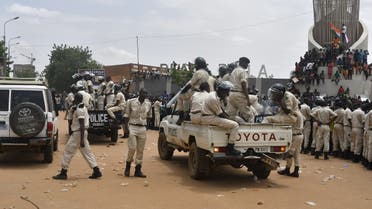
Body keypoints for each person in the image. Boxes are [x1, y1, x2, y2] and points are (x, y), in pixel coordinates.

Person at [53, 93, 102, 180]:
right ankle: (96, 170)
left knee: (67, 152)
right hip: (81, 133)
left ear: (76, 99)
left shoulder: (79, 110)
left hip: (79, 133)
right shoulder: (82, 107)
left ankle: (63, 172)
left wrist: (82, 139)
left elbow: (82, 124)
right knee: (87, 152)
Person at [264, 83, 303, 177]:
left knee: (290, 153)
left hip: (295, 133)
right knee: (295, 153)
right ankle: (292, 169)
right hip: (295, 132)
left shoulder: (287, 97)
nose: (273, 95)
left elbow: (288, 111)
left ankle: (292, 169)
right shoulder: (287, 97)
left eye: (275, 94)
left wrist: (279, 101)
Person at [201, 81, 240, 156]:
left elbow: (222, 111)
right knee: (235, 125)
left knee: (235, 119)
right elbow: (220, 114)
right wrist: (230, 120)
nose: (227, 94)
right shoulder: (213, 99)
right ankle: (230, 148)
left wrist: (230, 118)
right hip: (209, 118)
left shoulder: (215, 95)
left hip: (210, 116)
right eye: (226, 92)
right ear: (221, 90)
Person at [123, 88, 152, 178]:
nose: (145, 95)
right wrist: (126, 129)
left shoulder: (148, 104)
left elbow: (150, 116)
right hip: (132, 127)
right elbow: (126, 115)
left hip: (142, 128)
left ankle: (138, 170)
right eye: (143, 93)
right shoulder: (131, 102)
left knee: (140, 150)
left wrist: (147, 126)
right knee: (132, 148)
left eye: (146, 93)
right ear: (140, 93)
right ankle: (127, 166)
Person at [176, 57, 210, 125]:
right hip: (202, 92)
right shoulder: (206, 73)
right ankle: (188, 114)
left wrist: (183, 91)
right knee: (187, 101)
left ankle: (181, 116)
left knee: (180, 97)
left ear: (198, 65)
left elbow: (191, 84)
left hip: (194, 91)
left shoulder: (198, 72)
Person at [226, 57, 252, 123]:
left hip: (231, 94)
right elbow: (243, 84)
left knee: (230, 115)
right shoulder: (242, 71)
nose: (247, 65)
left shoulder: (234, 71)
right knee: (249, 116)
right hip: (239, 94)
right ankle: (251, 131)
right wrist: (247, 99)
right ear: (242, 62)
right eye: (246, 63)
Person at [364, 104, 372, 169]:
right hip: (371, 131)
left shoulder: (369, 112)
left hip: (368, 131)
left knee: (367, 147)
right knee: (370, 148)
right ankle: (369, 164)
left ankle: (366, 162)